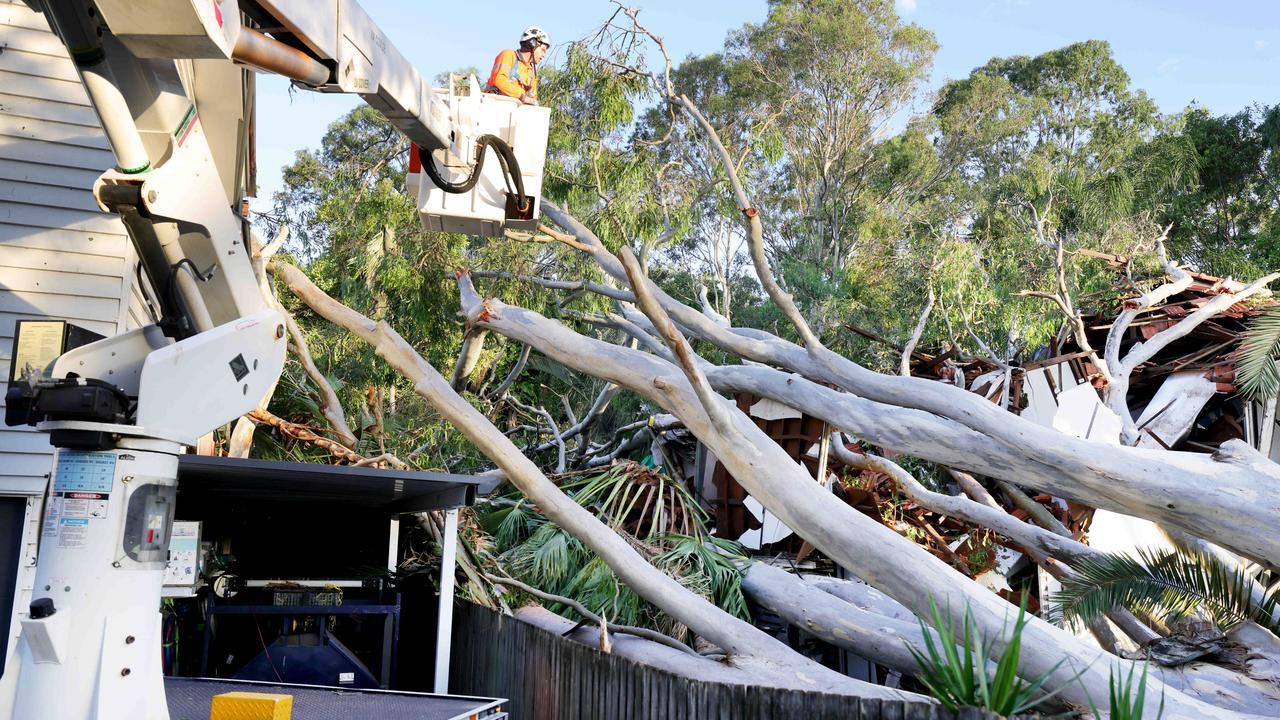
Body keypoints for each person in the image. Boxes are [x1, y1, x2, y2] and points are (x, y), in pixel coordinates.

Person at [485, 26, 549, 105]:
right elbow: (499, 80)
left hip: (513, 111)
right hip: (493, 106)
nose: (544, 55)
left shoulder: (531, 71)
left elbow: (532, 98)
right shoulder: (508, 55)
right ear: (532, 44)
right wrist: (522, 96)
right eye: (543, 50)